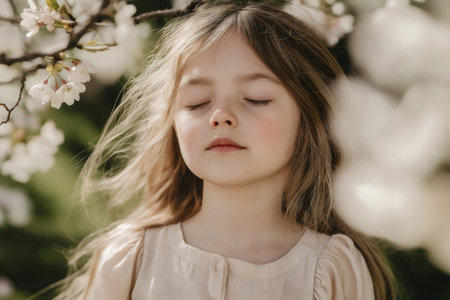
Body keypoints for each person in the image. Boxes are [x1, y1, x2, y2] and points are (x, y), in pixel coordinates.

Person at [55, 2, 396, 299]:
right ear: (171, 122)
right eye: (198, 102)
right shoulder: (130, 259)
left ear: (309, 116)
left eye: (256, 98)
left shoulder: (332, 269)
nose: (220, 117)